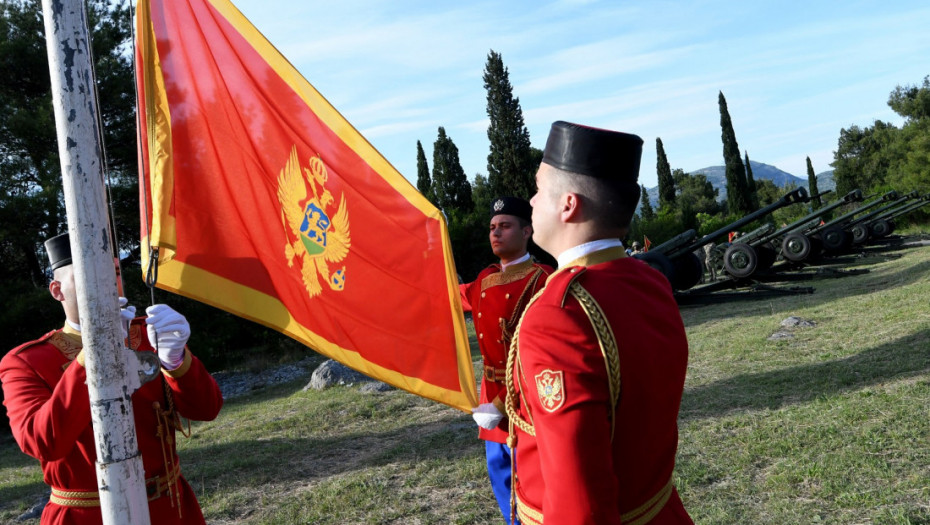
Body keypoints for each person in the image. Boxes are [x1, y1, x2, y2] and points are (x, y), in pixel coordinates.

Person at [505, 121, 692, 524]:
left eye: (538, 189)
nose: (532, 202)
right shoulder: (650, 281)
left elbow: (579, 503)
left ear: (568, 204)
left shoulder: (558, 315)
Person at [0, 233, 224, 525]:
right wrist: (92, 355)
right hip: (88, 516)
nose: (105, 281)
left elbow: (206, 409)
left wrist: (176, 361)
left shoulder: (149, 334)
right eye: (88, 274)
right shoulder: (27, 361)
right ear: (57, 291)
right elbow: (43, 443)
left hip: (167, 508)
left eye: (114, 272)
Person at [460, 197, 553, 524]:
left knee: (535, 478)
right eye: (492, 227)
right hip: (490, 393)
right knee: (500, 473)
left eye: (505, 226)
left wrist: (501, 403)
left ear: (527, 231)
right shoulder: (484, 279)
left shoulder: (543, 280)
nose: (495, 233)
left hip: (526, 398)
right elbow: (449, 294)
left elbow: (543, 354)